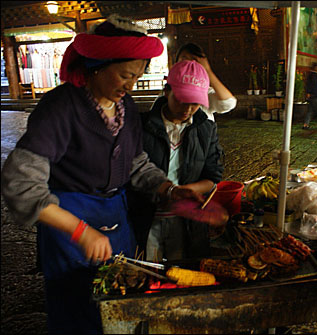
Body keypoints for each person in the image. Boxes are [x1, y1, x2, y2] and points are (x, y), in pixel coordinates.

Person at [0, 15, 203, 334]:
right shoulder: (60, 108)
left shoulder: (127, 110)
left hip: (116, 223)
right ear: (97, 66)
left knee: (120, 307)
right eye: (124, 75)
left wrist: (168, 189)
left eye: (136, 76)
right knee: (77, 313)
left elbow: (137, 164)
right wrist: (79, 231)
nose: (130, 84)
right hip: (69, 227)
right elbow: (19, 182)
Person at [127, 60, 224, 262]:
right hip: (146, 217)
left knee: (183, 270)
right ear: (167, 91)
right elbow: (130, 171)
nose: (188, 109)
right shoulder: (139, 126)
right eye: (181, 100)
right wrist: (166, 191)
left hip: (186, 220)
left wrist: (184, 194)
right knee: (147, 272)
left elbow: (212, 176)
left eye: (195, 103)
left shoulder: (206, 130)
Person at [174, 42, 237, 121]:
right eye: (184, 58)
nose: (190, 64)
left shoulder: (205, 92)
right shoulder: (169, 91)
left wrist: (208, 71)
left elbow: (228, 103)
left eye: (194, 60)